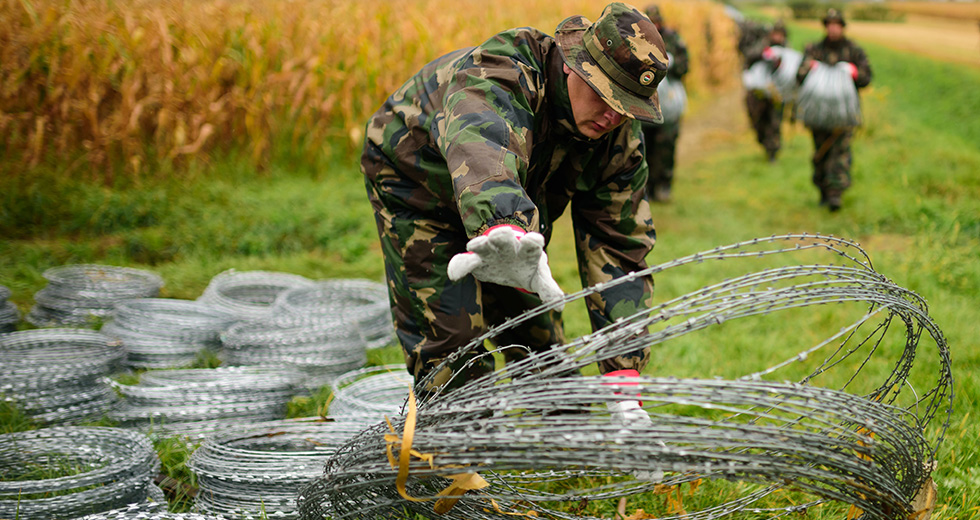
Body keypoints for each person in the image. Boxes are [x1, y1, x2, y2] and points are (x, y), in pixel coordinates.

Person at [361, 3, 666, 401]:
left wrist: (623, 369)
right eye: (605, 95)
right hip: (419, 183)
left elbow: (619, 246)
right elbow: (483, 139)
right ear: (576, 65)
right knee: (454, 342)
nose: (612, 116)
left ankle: (562, 438)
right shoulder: (504, 69)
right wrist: (504, 226)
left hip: (514, 211)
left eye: (625, 105)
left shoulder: (618, 141)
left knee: (537, 329)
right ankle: (457, 452)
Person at [796, 8, 872, 211]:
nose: (833, 28)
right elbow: (799, 76)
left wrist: (854, 72)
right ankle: (822, 190)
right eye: (829, 24)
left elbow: (867, 78)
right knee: (821, 152)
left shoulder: (854, 51)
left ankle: (835, 194)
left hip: (844, 115)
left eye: (837, 24)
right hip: (818, 113)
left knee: (840, 154)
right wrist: (809, 68)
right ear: (825, 26)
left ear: (842, 26)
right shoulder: (814, 49)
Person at [640, 5, 689, 202]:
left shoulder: (674, 39)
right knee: (644, 148)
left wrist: (670, 63)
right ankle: (646, 189)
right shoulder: (638, 38)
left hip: (668, 104)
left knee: (666, 147)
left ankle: (663, 185)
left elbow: (685, 67)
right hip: (644, 105)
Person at [744, 21, 789, 162]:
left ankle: (772, 153)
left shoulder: (786, 50)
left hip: (777, 94)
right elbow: (749, 57)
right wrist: (763, 54)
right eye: (775, 34)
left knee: (774, 123)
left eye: (780, 34)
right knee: (758, 122)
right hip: (758, 92)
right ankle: (763, 142)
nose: (777, 37)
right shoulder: (762, 44)